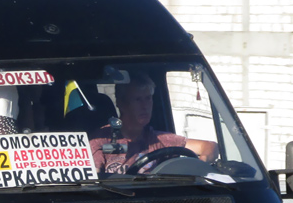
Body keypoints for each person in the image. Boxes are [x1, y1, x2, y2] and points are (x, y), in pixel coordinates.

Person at [88, 72, 218, 175]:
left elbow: (209, 146)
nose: (145, 106)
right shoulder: (100, 140)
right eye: (138, 99)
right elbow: (94, 176)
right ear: (122, 104)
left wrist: (202, 163)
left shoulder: (158, 140)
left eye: (148, 98)